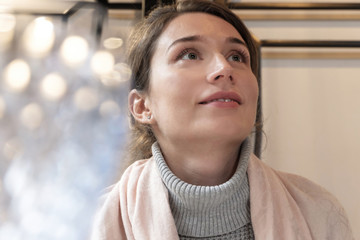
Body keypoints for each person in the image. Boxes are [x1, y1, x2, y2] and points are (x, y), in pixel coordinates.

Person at [91, 0, 354, 239]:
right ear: (141, 106)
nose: (224, 69)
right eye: (190, 55)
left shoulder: (318, 213)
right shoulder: (88, 224)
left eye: (236, 57)